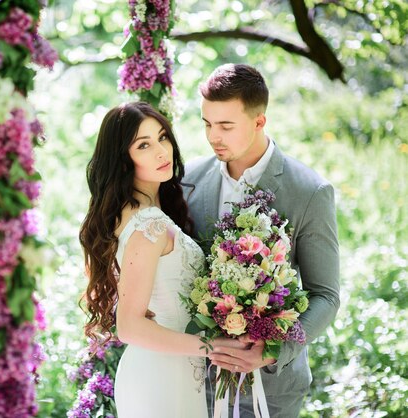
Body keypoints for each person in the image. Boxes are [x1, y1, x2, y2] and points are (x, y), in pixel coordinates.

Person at [184, 63, 340, 417]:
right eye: (207, 124)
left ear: (259, 122)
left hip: (273, 391)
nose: (213, 137)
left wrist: (271, 351)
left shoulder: (309, 192)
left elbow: (326, 296)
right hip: (194, 383)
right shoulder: (187, 180)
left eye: (226, 125)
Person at [79, 102, 245, 417]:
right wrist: (213, 348)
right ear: (123, 158)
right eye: (144, 145)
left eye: (162, 137)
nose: (161, 151)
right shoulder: (148, 225)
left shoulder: (142, 214)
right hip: (160, 375)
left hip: (174, 369)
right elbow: (128, 326)